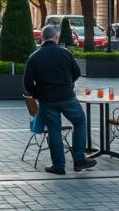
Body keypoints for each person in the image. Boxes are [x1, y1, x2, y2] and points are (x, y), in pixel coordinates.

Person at [22, 25, 97, 175]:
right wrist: (68, 84)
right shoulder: (65, 53)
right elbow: (76, 72)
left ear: (42, 38)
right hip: (67, 96)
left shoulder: (34, 56)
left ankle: (58, 165)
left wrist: (38, 94)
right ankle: (79, 159)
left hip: (47, 99)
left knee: (54, 129)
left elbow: (27, 83)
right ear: (55, 38)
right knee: (80, 121)